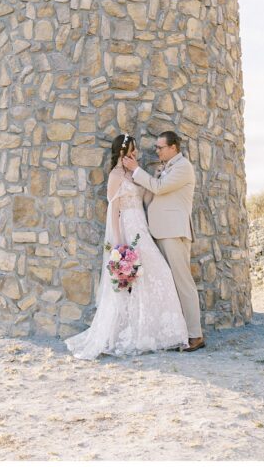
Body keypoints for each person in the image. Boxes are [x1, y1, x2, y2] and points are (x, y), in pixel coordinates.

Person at [65, 133, 188, 360]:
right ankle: (132, 333)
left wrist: (154, 179)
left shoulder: (135, 172)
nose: (136, 153)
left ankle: (155, 333)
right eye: (132, 149)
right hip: (128, 229)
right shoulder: (115, 175)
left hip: (142, 226)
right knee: (137, 279)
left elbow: (148, 198)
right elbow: (113, 210)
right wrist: (119, 245)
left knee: (159, 273)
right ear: (122, 152)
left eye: (136, 149)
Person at [123, 130, 205, 351]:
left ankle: (195, 335)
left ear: (173, 148)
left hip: (173, 232)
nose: (156, 150)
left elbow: (159, 188)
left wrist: (136, 170)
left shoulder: (183, 167)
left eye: (160, 147)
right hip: (159, 231)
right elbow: (153, 192)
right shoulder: (165, 168)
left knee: (182, 283)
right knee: (169, 284)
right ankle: (178, 333)